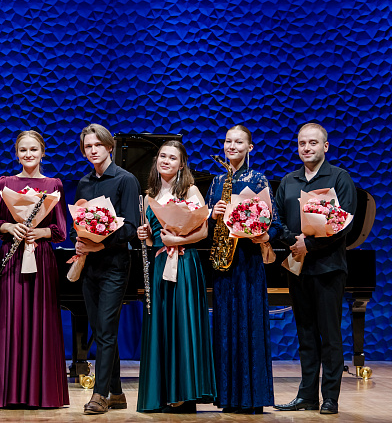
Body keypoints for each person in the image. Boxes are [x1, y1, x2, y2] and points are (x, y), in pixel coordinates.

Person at [273, 123, 356, 415]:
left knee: (330, 335)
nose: (306, 148)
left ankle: (330, 397)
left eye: (312, 143)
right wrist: (292, 241)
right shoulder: (288, 180)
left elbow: (344, 224)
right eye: (302, 143)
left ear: (325, 146)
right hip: (298, 267)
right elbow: (277, 219)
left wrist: (309, 244)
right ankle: (307, 396)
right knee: (305, 335)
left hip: (328, 268)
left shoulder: (339, 178)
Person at [0, 131, 69, 408]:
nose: (28, 154)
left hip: (42, 258)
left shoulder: (53, 184)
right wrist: (10, 226)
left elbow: (61, 230)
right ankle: (8, 392)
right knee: (9, 320)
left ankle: (42, 393)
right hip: (12, 257)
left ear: (42, 152)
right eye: (23, 150)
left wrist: (41, 232)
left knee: (41, 320)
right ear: (16, 154)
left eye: (33, 149)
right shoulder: (5, 183)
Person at [137, 140, 216, 413]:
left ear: (182, 164)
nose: (166, 161)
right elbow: (151, 239)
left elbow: (203, 231)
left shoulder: (190, 190)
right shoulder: (148, 195)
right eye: (162, 156)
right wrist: (145, 235)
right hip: (160, 264)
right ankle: (162, 392)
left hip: (184, 262)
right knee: (161, 324)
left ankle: (184, 392)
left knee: (183, 322)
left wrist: (177, 240)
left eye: (172, 157)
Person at [206, 125, 280, 413]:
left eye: (238, 142)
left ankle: (252, 398)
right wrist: (213, 215)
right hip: (224, 262)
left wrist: (261, 231)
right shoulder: (216, 181)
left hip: (248, 260)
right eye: (228, 141)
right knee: (225, 326)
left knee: (249, 324)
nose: (231, 146)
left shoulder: (258, 178)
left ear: (250, 147)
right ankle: (227, 397)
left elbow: (272, 220)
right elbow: (206, 224)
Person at [72, 123, 140, 415]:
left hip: (114, 265)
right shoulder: (84, 183)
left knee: (107, 330)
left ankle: (99, 394)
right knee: (101, 330)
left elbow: (131, 228)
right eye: (88, 146)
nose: (93, 150)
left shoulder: (126, 180)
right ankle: (117, 393)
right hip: (90, 266)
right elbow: (79, 223)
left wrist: (101, 243)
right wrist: (81, 240)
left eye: (98, 145)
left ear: (109, 146)